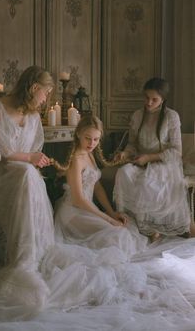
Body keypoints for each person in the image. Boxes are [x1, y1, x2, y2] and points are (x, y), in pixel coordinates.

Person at [0, 65, 55, 320]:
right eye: (44, 93)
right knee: (25, 173)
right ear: (33, 88)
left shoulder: (32, 116)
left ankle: (28, 259)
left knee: (29, 174)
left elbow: (32, 152)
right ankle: (21, 260)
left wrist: (36, 159)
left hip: (25, 176)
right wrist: (29, 158)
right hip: (0, 175)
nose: (45, 99)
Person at [51, 115, 148, 258]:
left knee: (124, 230)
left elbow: (96, 186)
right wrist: (108, 219)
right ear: (78, 134)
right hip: (73, 212)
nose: (92, 143)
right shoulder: (76, 160)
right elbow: (78, 199)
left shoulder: (89, 154)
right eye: (88, 138)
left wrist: (111, 212)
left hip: (87, 210)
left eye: (96, 139)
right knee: (116, 235)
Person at [113, 77, 191, 242]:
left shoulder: (171, 117)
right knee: (123, 172)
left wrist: (150, 157)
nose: (149, 102)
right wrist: (125, 154)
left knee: (148, 181)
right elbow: (132, 144)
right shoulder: (137, 115)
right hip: (140, 160)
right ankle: (137, 224)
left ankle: (153, 227)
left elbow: (177, 151)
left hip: (164, 163)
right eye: (146, 97)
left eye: (154, 99)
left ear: (162, 99)